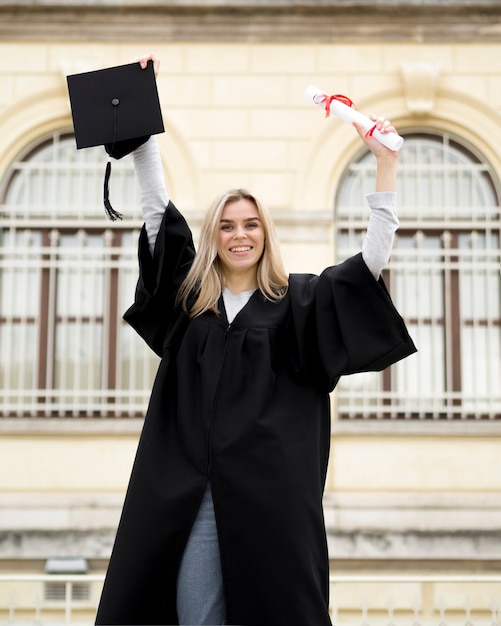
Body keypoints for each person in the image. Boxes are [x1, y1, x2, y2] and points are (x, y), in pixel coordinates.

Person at [95, 54, 416, 626]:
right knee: (193, 614)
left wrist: (385, 169)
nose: (239, 235)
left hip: (270, 503)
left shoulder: (298, 303)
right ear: (213, 236)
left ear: (264, 232)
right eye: (226, 224)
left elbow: (370, 263)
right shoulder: (189, 307)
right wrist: (140, 112)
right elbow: (154, 215)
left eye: (250, 224)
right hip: (192, 497)